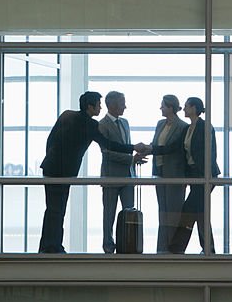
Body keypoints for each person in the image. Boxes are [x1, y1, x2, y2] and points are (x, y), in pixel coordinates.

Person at [38, 91, 149, 253]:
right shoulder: (91, 125)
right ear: (90, 106)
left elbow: (50, 139)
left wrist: (51, 158)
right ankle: (52, 247)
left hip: (50, 168)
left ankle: (49, 246)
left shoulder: (66, 115)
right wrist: (133, 147)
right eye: (98, 104)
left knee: (53, 209)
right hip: (64, 172)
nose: (100, 107)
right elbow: (108, 145)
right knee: (58, 210)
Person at [150, 96, 220, 254]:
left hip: (204, 177)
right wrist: (151, 150)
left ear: (194, 108)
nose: (184, 109)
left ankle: (177, 248)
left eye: (187, 106)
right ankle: (207, 248)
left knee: (189, 210)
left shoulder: (205, 127)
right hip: (194, 176)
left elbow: (210, 154)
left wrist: (205, 178)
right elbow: (172, 147)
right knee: (200, 213)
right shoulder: (188, 128)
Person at [97, 91, 146, 254]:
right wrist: (130, 159)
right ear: (111, 105)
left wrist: (134, 158)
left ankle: (128, 244)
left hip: (128, 176)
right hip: (111, 176)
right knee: (109, 214)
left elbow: (125, 148)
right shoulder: (102, 125)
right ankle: (108, 246)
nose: (125, 106)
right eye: (122, 103)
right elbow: (107, 152)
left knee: (129, 213)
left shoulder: (125, 122)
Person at [150, 94, 186, 253]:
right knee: (162, 211)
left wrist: (150, 149)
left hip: (175, 174)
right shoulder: (160, 124)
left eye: (163, 105)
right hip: (160, 172)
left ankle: (173, 248)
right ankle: (162, 248)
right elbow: (156, 144)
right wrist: (147, 149)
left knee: (174, 212)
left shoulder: (182, 126)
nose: (160, 108)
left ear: (170, 108)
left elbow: (173, 148)